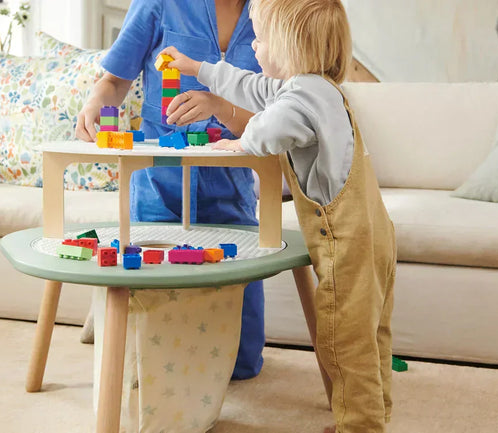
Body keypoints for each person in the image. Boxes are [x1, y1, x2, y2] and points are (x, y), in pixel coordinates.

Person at [159, 0, 398, 431]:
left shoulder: (302, 98)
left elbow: (272, 128)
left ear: (288, 47)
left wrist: (240, 144)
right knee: (371, 329)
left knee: (345, 338)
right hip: (377, 232)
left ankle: (360, 425)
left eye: (262, 39)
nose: (256, 47)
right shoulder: (316, 87)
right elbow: (251, 87)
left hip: (345, 240)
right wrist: (198, 66)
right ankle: (375, 409)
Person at [74, 0, 267, 380]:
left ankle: (110, 313)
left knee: (241, 365)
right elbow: (115, 80)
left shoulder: (272, 11)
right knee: (150, 360)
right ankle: (111, 311)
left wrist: (219, 106)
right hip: (157, 189)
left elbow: (272, 116)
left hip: (231, 193)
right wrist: (96, 102)